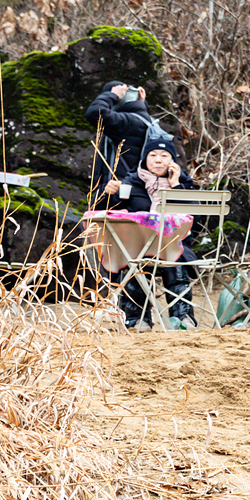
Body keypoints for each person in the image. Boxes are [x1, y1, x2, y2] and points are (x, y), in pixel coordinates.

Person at [110, 129, 201, 329]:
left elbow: (196, 219)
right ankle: (137, 320)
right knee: (134, 262)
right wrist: (109, 194)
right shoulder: (131, 182)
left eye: (164, 156)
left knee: (175, 259)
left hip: (174, 244)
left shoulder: (183, 183)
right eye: (152, 155)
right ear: (145, 159)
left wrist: (175, 186)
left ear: (172, 161)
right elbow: (110, 210)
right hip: (138, 245)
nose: (158, 160)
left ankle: (183, 319)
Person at [84, 81, 153, 210]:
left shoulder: (127, 123)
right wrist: (141, 102)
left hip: (119, 195)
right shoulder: (148, 122)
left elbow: (95, 113)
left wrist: (112, 95)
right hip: (138, 195)